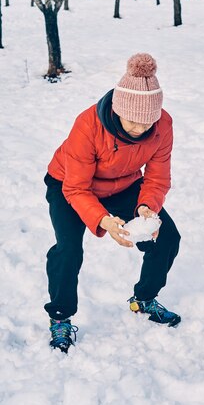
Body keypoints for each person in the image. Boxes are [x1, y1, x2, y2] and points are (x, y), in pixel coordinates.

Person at [44, 53, 181, 353]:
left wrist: (148, 208)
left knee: (167, 237)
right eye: (132, 120)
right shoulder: (88, 124)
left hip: (124, 183)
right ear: (119, 109)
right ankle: (61, 316)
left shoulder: (162, 125)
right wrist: (103, 219)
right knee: (68, 250)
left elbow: (157, 178)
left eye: (148, 121)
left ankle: (144, 298)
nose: (139, 128)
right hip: (69, 185)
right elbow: (77, 188)